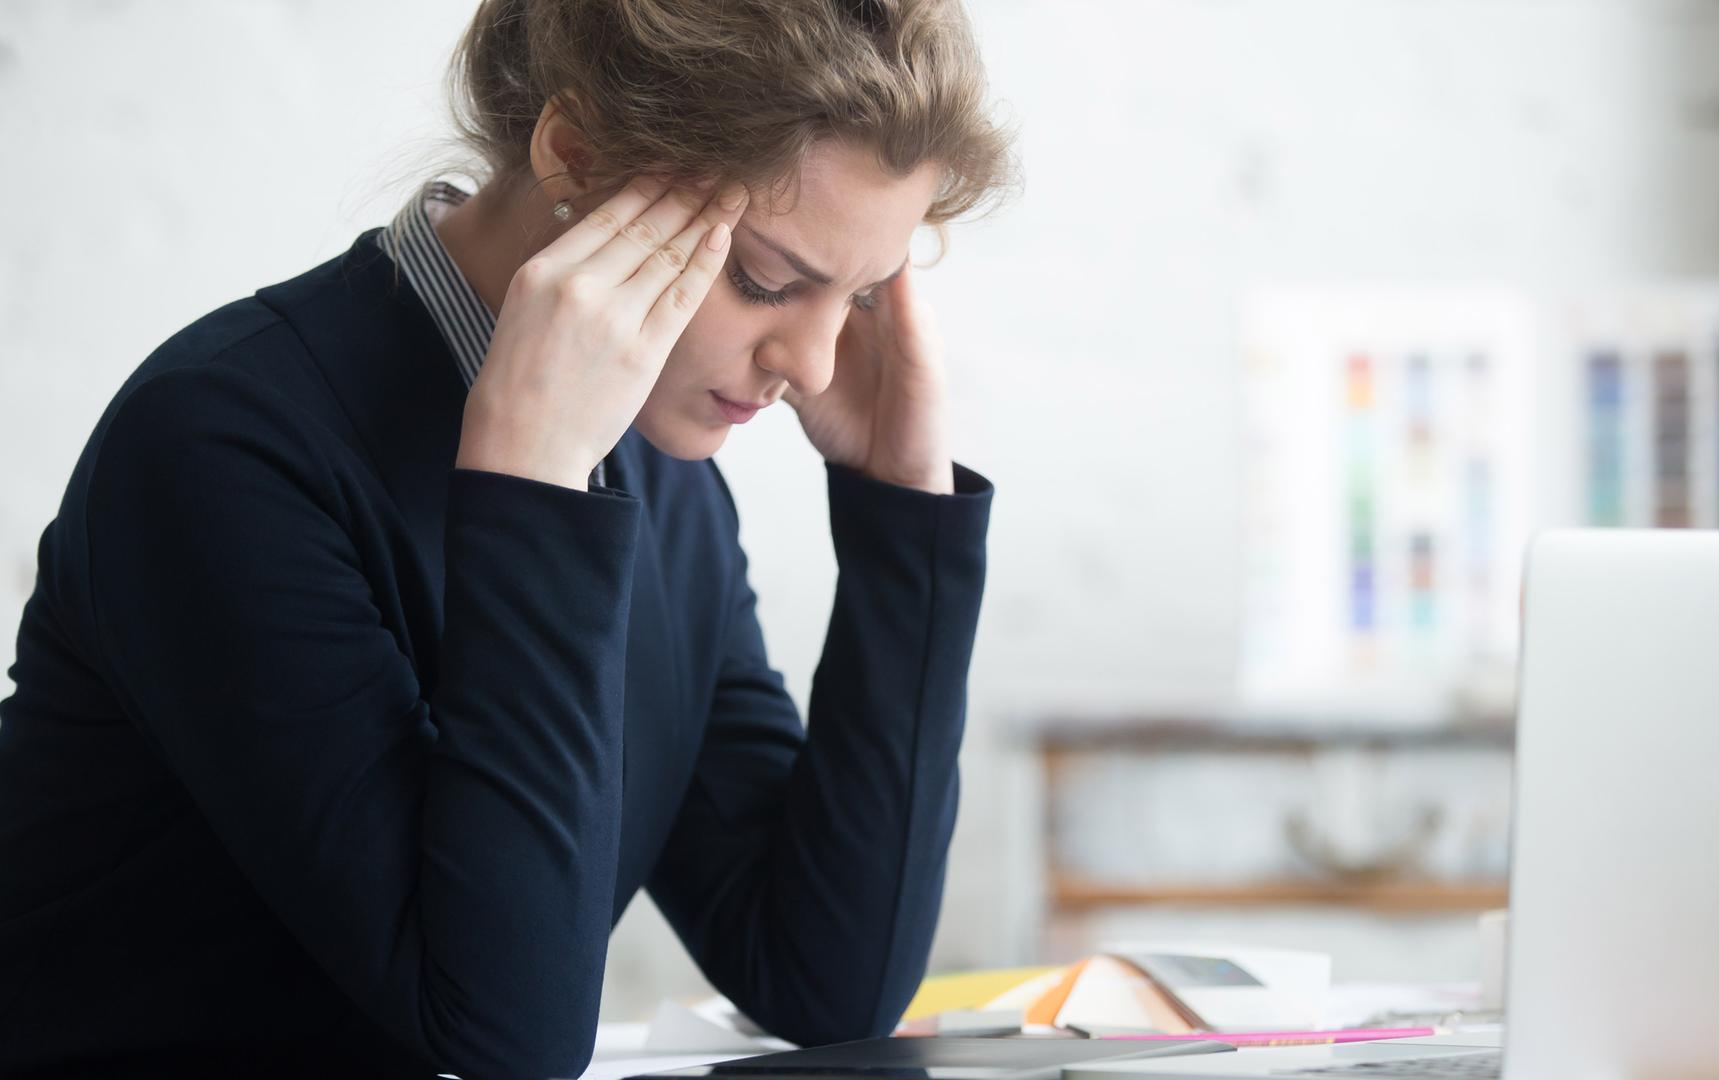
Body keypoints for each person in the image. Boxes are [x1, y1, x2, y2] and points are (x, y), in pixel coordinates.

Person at [0, 0, 1016, 1074]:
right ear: (573, 153)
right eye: (764, 280)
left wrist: (904, 516)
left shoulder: (659, 484)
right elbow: (504, 1033)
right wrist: (530, 484)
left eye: (860, 297)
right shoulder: (223, 445)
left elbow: (828, 978)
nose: (812, 365)